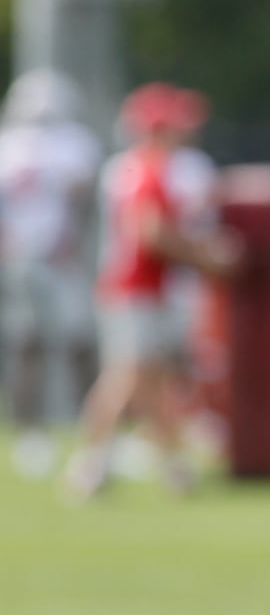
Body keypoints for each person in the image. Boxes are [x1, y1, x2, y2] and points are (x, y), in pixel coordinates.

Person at [64, 82, 240, 498]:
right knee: (127, 378)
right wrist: (209, 259)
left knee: (148, 381)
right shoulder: (147, 169)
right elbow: (154, 233)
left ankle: (169, 467)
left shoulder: (134, 168)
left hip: (140, 289)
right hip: (135, 290)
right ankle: (91, 465)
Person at [0, 68, 102, 476]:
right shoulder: (10, 145)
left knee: (79, 343)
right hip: (25, 256)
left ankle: (93, 430)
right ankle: (31, 432)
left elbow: (82, 203)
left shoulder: (73, 145)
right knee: (29, 342)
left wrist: (70, 242)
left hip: (60, 257)